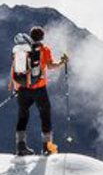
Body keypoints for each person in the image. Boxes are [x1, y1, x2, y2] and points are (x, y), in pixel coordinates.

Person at [9, 26, 69, 156]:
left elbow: (14, 70)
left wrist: (16, 88)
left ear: (30, 36)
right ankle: (47, 147)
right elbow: (50, 66)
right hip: (39, 88)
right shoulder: (44, 49)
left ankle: (20, 147)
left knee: (22, 116)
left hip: (23, 88)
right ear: (42, 37)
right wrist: (62, 62)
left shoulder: (21, 50)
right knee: (45, 115)